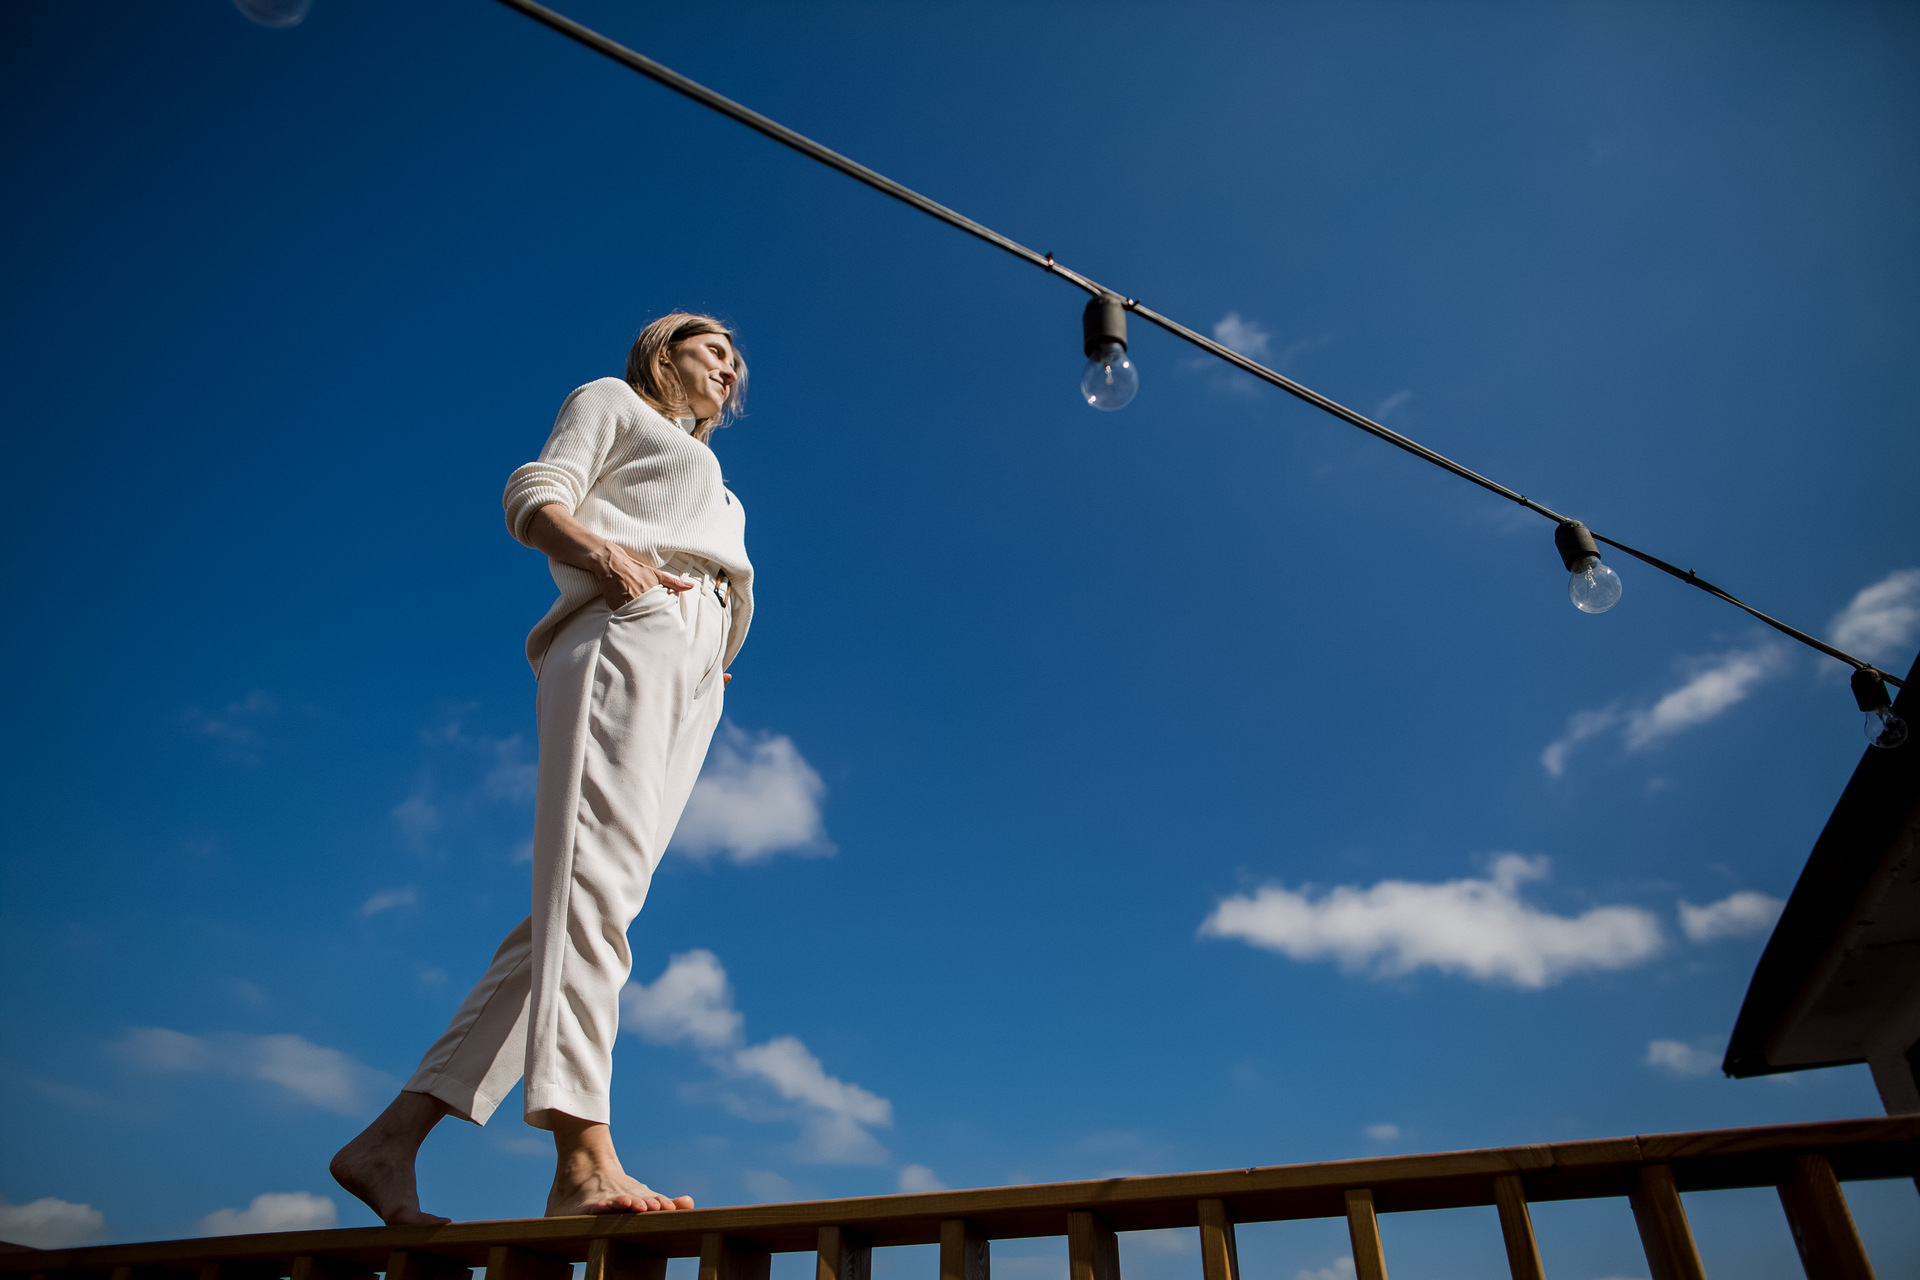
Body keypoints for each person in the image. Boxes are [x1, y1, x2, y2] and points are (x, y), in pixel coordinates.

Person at [331, 313, 754, 1224]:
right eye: (710, 347)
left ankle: (389, 1142)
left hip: (693, 667)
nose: (729, 365)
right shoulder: (613, 401)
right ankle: (581, 1156)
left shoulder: (711, 473)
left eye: (736, 360)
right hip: (629, 626)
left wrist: (713, 649)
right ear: (661, 352)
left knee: (580, 904)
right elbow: (537, 492)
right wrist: (607, 558)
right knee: (592, 887)